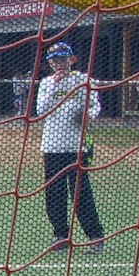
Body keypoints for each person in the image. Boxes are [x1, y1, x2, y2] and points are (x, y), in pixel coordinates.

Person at [32, 41, 105, 255]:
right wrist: (55, 84)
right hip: (52, 146)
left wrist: (88, 115)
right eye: (55, 60)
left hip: (76, 146)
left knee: (80, 192)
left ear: (71, 59)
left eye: (63, 59)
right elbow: (41, 109)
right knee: (54, 192)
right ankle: (61, 236)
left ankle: (95, 236)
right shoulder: (46, 83)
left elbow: (94, 106)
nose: (59, 64)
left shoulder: (83, 80)